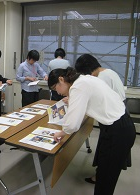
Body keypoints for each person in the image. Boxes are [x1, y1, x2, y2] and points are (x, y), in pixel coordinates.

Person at [48, 67, 135, 195]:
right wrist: (72, 99)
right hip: (120, 125)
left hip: (118, 131)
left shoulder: (78, 86)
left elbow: (72, 125)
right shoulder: (84, 79)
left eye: (56, 88)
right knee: (104, 173)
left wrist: (60, 133)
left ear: (61, 79)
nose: (58, 92)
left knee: (106, 178)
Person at [74, 53, 128, 185]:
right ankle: (101, 174)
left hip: (114, 118)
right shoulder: (109, 72)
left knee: (107, 152)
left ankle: (101, 176)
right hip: (120, 113)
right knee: (105, 152)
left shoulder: (101, 77)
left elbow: (96, 99)